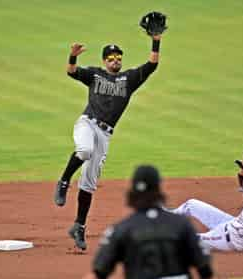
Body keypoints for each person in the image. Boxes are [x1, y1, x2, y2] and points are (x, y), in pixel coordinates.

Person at [54, 33, 164, 250]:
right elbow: (71, 72)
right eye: (111, 57)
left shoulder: (129, 79)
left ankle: (79, 226)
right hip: (87, 124)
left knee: (89, 183)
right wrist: (72, 56)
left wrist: (156, 40)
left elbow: (152, 64)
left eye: (118, 57)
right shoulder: (95, 75)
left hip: (105, 134)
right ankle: (64, 181)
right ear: (105, 61)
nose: (116, 60)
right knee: (84, 150)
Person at [83, 165, 213, 279]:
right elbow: (205, 271)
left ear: (132, 193)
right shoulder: (183, 224)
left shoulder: (121, 229)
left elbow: (98, 274)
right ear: (158, 190)